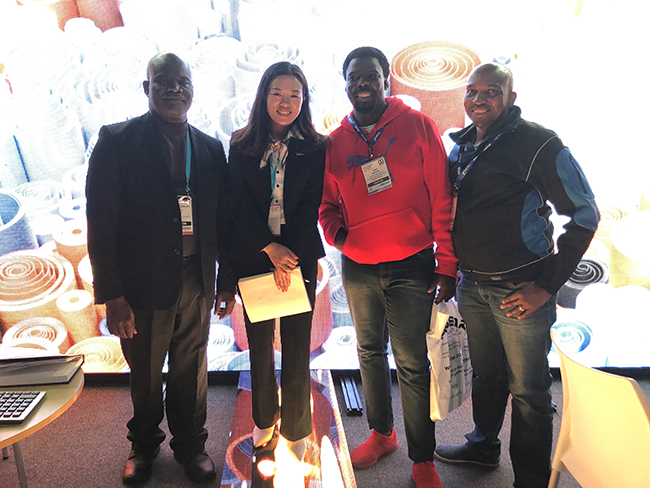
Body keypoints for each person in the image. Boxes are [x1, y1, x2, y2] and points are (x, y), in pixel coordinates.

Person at [433, 63, 599, 488]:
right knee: (487, 376)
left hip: (521, 289)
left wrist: (546, 286)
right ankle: (483, 446)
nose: (479, 99)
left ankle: (530, 479)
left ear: (511, 98)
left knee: (529, 391)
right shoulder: (462, 147)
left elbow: (584, 215)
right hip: (473, 285)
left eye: (491, 91)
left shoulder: (538, 143)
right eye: (472, 91)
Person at [86, 53, 230, 485]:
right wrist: (113, 296)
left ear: (192, 89)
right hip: (141, 285)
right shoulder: (117, 140)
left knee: (192, 368)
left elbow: (223, 222)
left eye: (182, 81)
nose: (174, 88)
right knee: (146, 373)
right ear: (146, 88)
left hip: (196, 280)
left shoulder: (209, 148)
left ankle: (191, 445)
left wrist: (224, 283)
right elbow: (101, 222)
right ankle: (143, 445)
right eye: (163, 81)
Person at [319, 46, 458, 488]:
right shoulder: (335, 142)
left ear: (386, 81)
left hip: (412, 263)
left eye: (371, 75)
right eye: (353, 77)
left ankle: (423, 458)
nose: (362, 83)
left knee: (412, 362)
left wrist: (446, 263)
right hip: (359, 268)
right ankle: (382, 434)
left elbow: (442, 196)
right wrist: (343, 240)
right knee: (368, 353)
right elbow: (326, 206)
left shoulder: (417, 125)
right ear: (346, 84)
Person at [215, 61, 327, 469]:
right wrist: (269, 248)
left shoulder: (316, 146)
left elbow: (310, 206)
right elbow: (236, 204)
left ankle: (297, 429)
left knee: (298, 346)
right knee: (259, 346)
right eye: (277, 93)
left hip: (299, 256)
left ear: (304, 100)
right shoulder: (241, 143)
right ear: (263, 96)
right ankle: (264, 421)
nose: (286, 102)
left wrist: (287, 256)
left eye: (295, 95)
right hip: (253, 255)